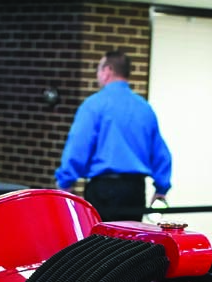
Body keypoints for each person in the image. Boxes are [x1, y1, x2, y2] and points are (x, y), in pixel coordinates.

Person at [55, 49, 172, 222]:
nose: (97, 75)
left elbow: (78, 146)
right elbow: (160, 153)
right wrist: (161, 189)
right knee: (130, 238)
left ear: (107, 71)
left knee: (101, 238)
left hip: (103, 191)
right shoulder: (144, 108)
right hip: (135, 191)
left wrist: (65, 182)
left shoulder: (94, 105)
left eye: (98, 69)